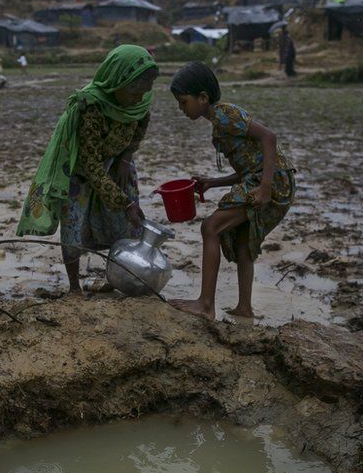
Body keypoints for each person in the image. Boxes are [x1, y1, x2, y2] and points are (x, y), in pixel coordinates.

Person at [17, 44, 159, 293]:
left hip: (116, 162)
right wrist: (124, 202)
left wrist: (125, 158)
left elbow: (141, 123)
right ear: (118, 83)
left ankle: (116, 277)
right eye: (134, 94)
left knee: (124, 226)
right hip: (81, 168)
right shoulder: (91, 107)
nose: (139, 99)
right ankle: (74, 287)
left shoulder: (140, 100)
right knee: (73, 222)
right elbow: (91, 165)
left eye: (144, 93)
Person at [168, 61, 296, 320]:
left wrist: (265, 188)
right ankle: (244, 308)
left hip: (274, 181)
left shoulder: (225, 115)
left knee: (210, 227)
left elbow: (269, 137)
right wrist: (212, 183)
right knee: (242, 240)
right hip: (263, 179)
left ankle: (205, 305)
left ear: (203, 98)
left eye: (183, 102)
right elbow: (249, 167)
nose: (181, 109)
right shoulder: (219, 121)